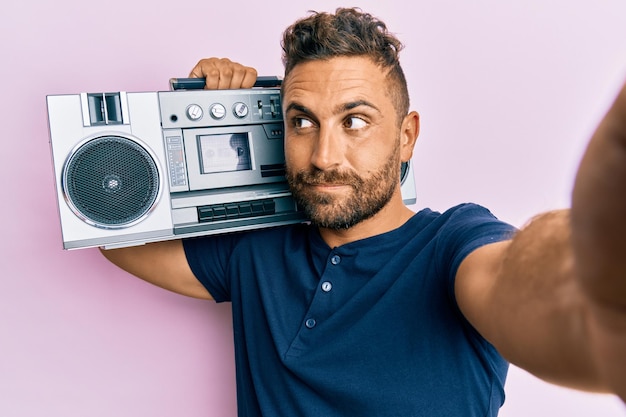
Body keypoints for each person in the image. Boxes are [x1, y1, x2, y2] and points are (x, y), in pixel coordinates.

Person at [101, 7, 626, 416]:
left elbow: (523, 283)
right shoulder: (255, 250)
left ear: (406, 137)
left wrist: (595, 271)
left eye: (354, 121)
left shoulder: (451, 244)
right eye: (302, 123)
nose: (324, 155)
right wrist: (197, 120)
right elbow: (108, 228)